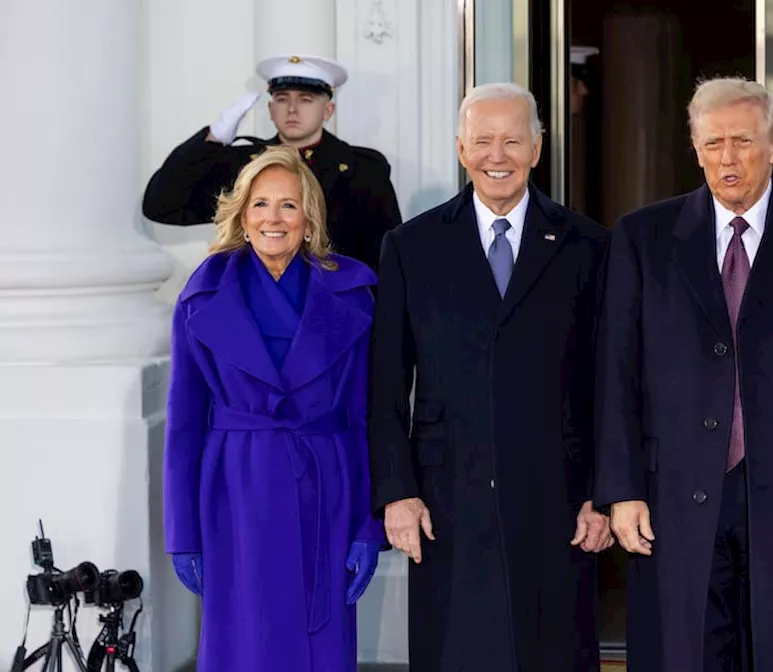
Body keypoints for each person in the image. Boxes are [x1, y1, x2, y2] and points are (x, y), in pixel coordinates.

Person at [595, 76, 773, 672]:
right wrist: (621, 490)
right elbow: (616, 372)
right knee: (688, 654)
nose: (727, 158)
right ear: (695, 147)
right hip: (674, 493)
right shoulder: (643, 237)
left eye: (743, 142)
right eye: (713, 143)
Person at [366, 82, 612, 672]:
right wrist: (397, 491)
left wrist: (604, 494)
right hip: (448, 494)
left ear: (537, 148)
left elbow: (610, 382)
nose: (495, 156)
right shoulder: (411, 245)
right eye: (482, 141)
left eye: (511, 141)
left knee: (550, 649)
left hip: (558, 494)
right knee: (457, 650)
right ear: (460, 148)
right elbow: (385, 385)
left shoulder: (589, 244)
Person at [162, 145, 382, 671]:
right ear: (241, 215)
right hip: (235, 494)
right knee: (245, 645)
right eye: (260, 204)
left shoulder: (353, 293)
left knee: (321, 649)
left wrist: (366, 525)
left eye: (288, 205)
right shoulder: (202, 294)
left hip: (326, 489)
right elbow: (184, 421)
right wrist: (182, 533)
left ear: (309, 218)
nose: (273, 218)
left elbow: (365, 417)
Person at [142, 54, 401, 271]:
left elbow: (387, 258)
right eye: (282, 98)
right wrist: (213, 138)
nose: (292, 109)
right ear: (270, 109)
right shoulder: (244, 166)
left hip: (337, 311)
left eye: (305, 99)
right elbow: (162, 205)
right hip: (257, 308)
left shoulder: (363, 170)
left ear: (328, 110)